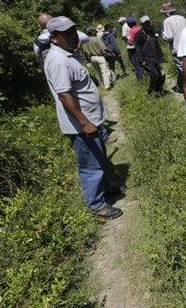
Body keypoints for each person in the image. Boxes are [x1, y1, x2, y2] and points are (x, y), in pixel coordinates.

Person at [42, 16, 123, 219]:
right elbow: (64, 95)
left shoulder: (68, 55)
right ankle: (96, 204)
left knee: (99, 157)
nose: (72, 36)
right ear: (53, 38)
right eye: (66, 33)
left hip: (91, 121)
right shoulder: (58, 60)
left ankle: (106, 188)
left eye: (72, 31)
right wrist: (84, 122)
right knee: (91, 166)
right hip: (81, 125)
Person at [160, 2, 186, 93]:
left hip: (177, 49)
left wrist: (163, 36)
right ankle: (180, 86)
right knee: (184, 68)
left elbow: (169, 37)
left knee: (183, 69)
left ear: (167, 13)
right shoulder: (182, 18)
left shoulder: (167, 21)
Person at [135, 15, 165, 94]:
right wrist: (142, 60)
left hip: (155, 57)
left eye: (148, 22)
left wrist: (161, 55)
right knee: (154, 74)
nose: (147, 24)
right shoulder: (138, 35)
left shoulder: (152, 31)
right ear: (142, 24)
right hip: (146, 59)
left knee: (160, 75)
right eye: (145, 23)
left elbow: (157, 44)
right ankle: (150, 91)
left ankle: (159, 90)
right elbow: (138, 49)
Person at [126, 17, 145, 81]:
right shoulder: (141, 28)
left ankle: (141, 80)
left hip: (136, 50)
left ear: (128, 24)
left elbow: (130, 43)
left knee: (137, 65)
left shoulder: (131, 31)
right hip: (145, 49)